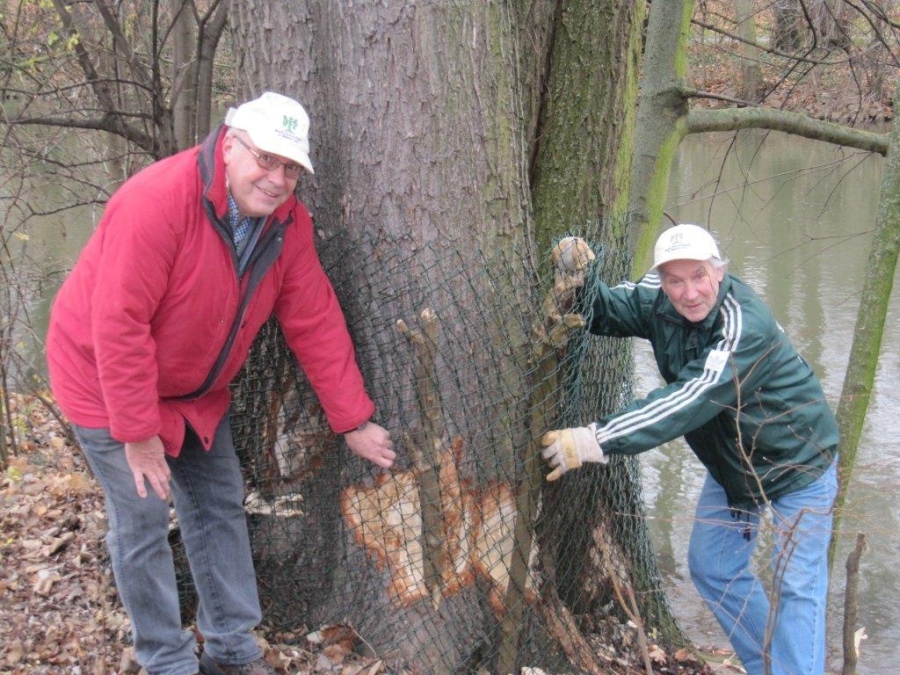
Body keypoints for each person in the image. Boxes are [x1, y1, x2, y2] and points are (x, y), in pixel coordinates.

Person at [45, 91, 396, 675]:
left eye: (290, 168)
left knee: (218, 506)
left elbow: (314, 319)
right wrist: (136, 432)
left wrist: (352, 419)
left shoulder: (286, 226)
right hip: (105, 383)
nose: (277, 178)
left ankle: (232, 651)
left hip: (194, 395)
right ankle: (167, 661)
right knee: (143, 521)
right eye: (265, 159)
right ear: (229, 144)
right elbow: (118, 324)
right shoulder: (157, 202)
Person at [540, 224, 839, 675]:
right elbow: (605, 310)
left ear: (719, 272)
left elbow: (689, 398)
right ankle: (771, 666)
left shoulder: (744, 326)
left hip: (799, 465)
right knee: (713, 566)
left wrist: (593, 439)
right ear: (662, 280)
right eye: (675, 280)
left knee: (798, 586)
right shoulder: (658, 299)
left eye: (699, 276)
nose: (689, 292)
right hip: (734, 466)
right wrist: (580, 277)